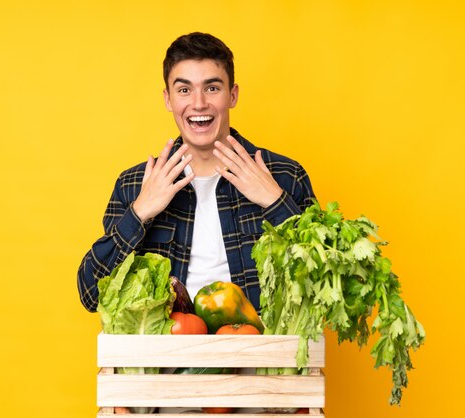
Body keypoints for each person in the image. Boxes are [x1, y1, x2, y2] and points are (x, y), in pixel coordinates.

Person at [78, 32, 316, 312]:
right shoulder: (134, 184)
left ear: (233, 95)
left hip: (258, 352)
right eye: (184, 90)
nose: (199, 103)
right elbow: (92, 295)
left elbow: (326, 290)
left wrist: (276, 203)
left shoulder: (284, 175)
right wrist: (140, 212)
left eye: (212, 88)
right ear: (168, 99)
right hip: (168, 353)